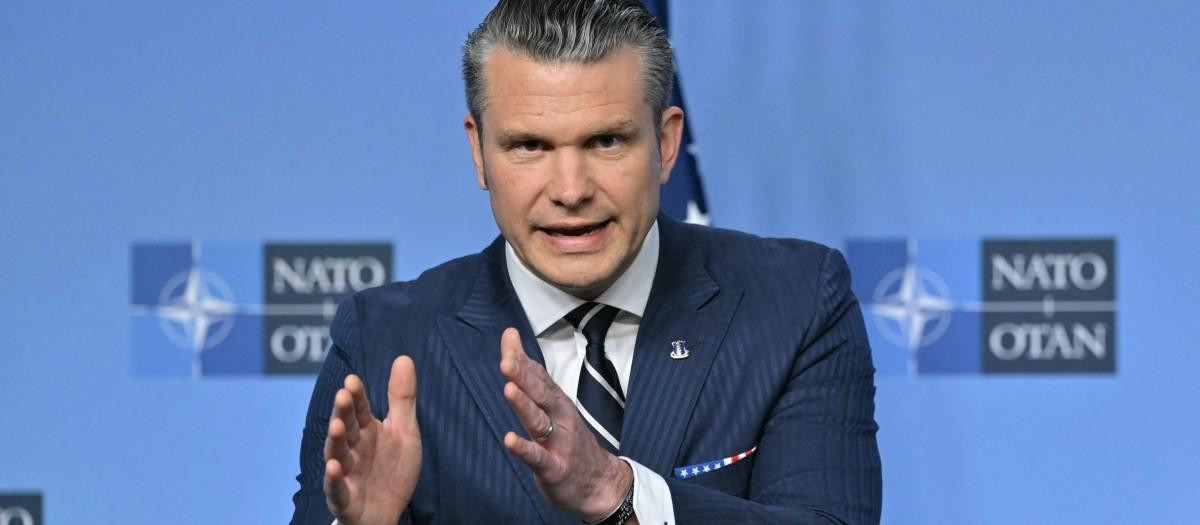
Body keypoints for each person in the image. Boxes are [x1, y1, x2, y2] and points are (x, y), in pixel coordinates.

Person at [291, 1, 882, 523]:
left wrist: (615, 491)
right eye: (530, 146)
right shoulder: (385, 337)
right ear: (478, 152)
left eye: (606, 142)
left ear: (666, 144)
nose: (570, 190)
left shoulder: (795, 302)